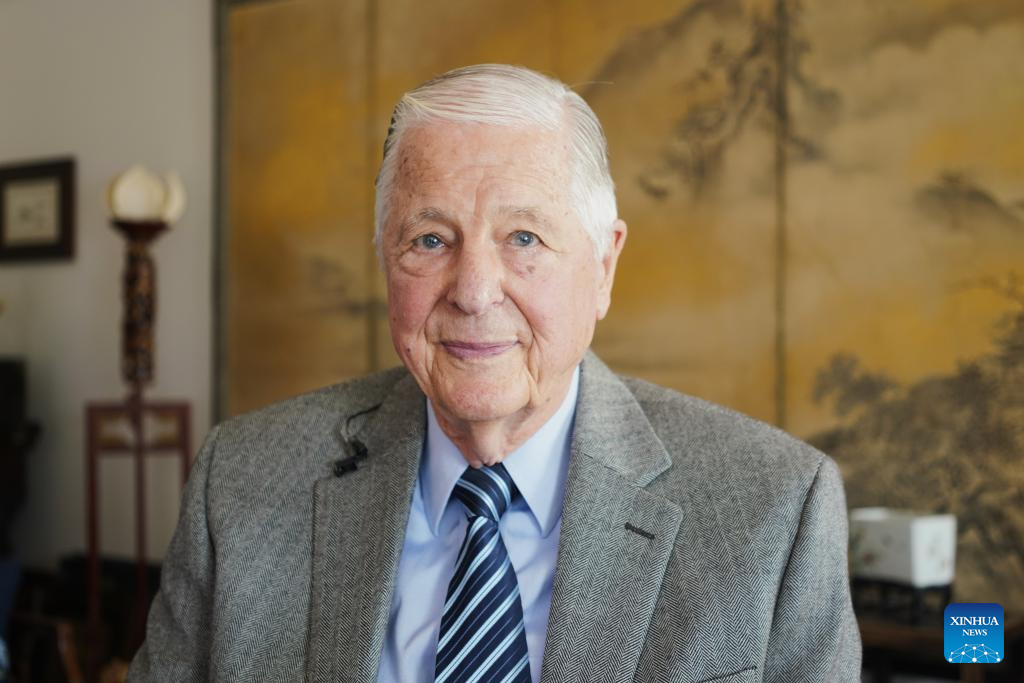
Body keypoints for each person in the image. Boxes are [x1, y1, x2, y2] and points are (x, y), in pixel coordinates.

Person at [128, 64, 861, 682]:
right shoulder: (241, 482)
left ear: (604, 266)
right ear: (386, 259)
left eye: (524, 237)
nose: (474, 291)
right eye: (430, 239)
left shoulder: (774, 510)